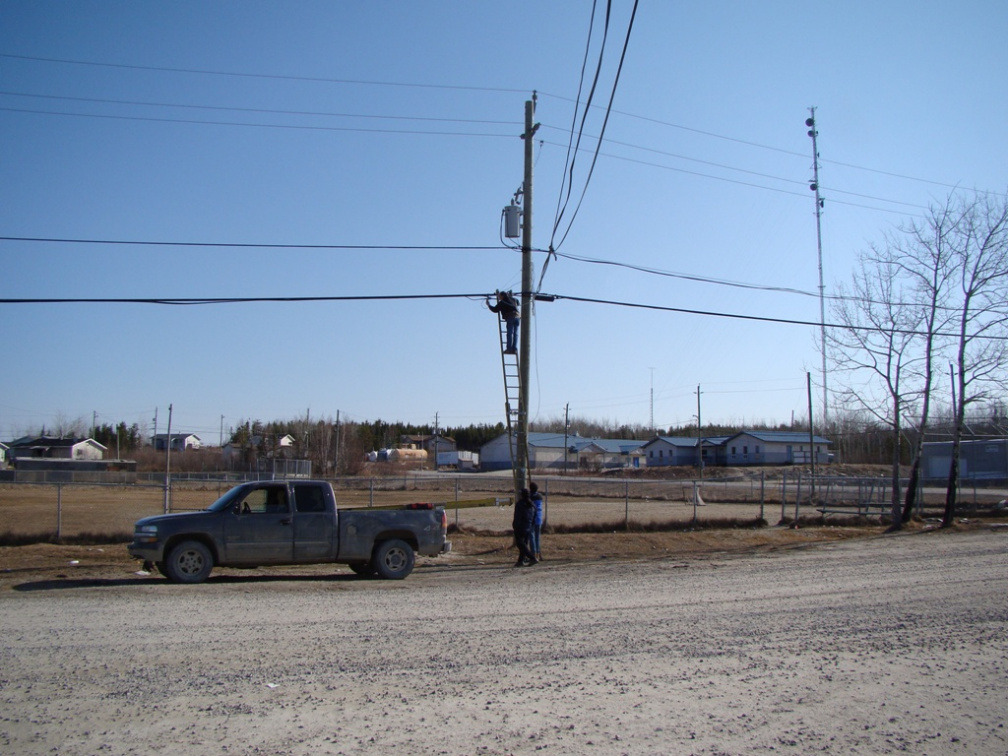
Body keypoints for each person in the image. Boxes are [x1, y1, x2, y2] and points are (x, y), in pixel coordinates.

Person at [487, 289, 520, 354]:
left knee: (510, 333)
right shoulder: (513, 299)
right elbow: (518, 302)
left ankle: (509, 349)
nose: (499, 298)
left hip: (510, 316)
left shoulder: (502, 302)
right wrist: (511, 297)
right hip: (517, 317)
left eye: (499, 296)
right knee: (515, 333)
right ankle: (514, 349)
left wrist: (488, 305)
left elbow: (495, 310)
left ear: (502, 296)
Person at [512, 487, 537, 567]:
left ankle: (532, 558)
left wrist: (515, 526)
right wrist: (530, 526)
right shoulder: (532, 505)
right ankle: (520, 561)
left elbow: (517, 517)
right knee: (524, 544)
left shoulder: (520, 504)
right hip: (528, 527)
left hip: (520, 527)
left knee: (520, 544)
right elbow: (534, 517)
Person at [529, 482, 544, 561]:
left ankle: (534, 554)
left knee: (532, 537)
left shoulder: (530, 497)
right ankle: (538, 553)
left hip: (532, 519)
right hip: (539, 519)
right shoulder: (540, 496)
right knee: (537, 537)